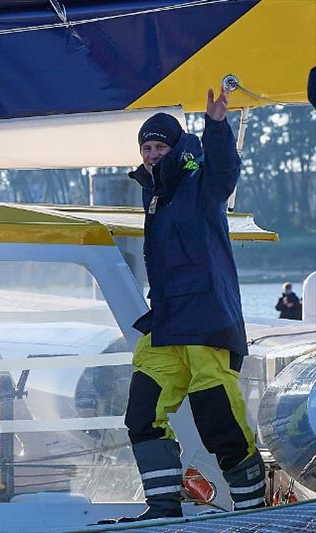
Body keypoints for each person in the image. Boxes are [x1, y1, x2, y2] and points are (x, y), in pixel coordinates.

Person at [111, 88, 266, 522]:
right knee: (141, 414)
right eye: (147, 147)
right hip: (167, 323)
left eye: (160, 146)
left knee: (217, 419)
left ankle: (252, 510)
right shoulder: (153, 193)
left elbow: (224, 171)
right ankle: (163, 509)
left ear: (176, 148)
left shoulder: (200, 185)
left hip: (207, 321)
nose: (153, 154)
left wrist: (216, 126)